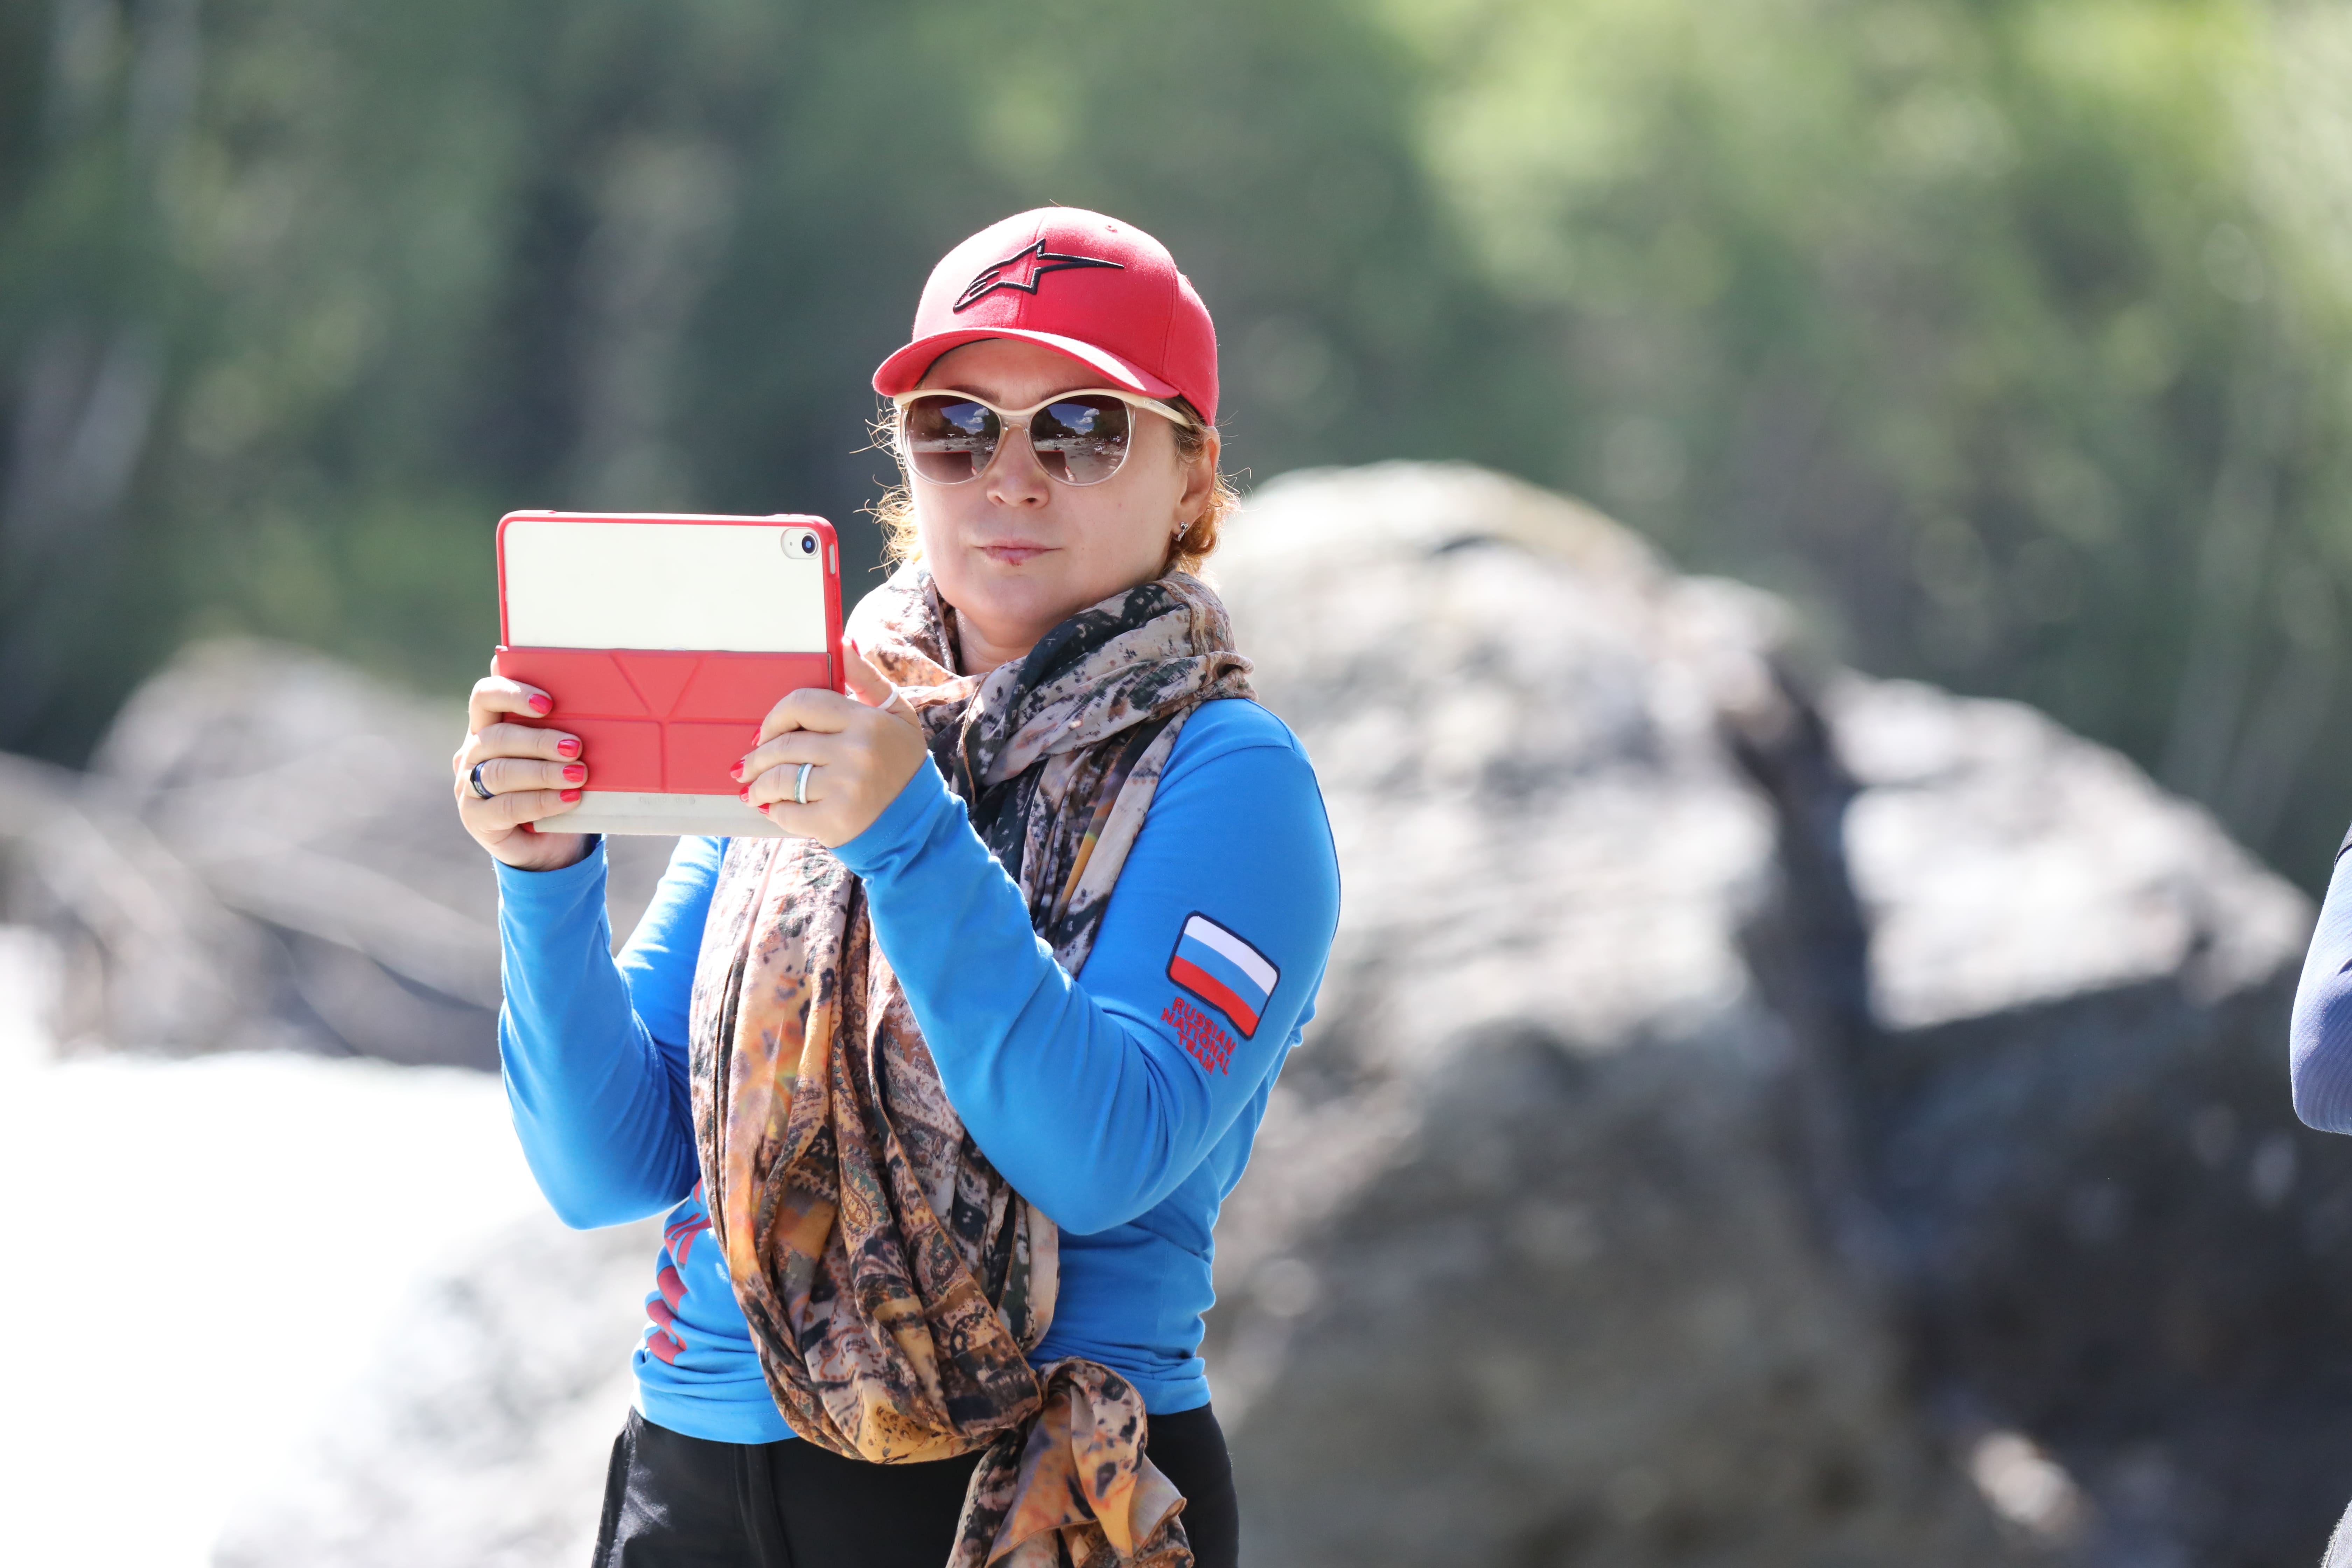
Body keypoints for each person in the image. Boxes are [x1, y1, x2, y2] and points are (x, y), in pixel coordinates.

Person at [450, 208, 1340, 1568]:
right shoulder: (817, 723)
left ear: (1191, 475)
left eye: (1084, 429)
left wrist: (909, 837)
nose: (1013, 478)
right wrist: (543, 870)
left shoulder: (1235, 779)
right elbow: (603, 1165)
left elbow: (1096, 1156)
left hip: (1034, 1496)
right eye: (957, 429)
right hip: (692, 1487)